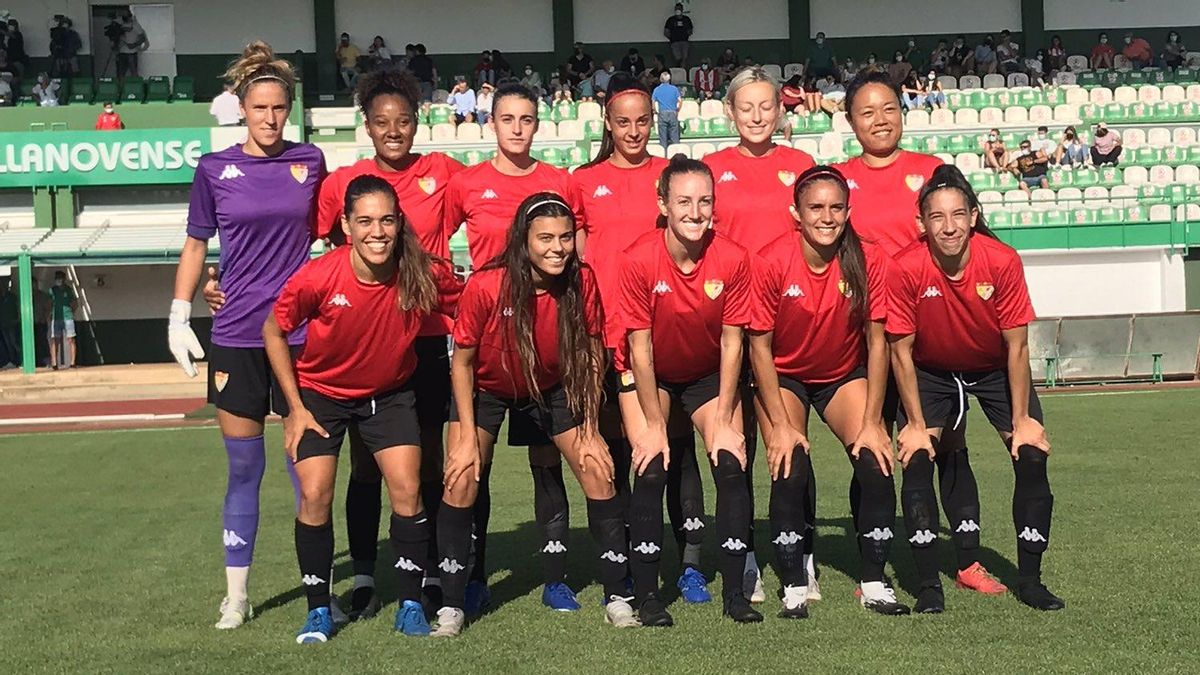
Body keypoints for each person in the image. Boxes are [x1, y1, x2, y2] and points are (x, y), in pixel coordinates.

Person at [167, 41, 326, 630]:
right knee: (243, 470)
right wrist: (181, 313)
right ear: (242, 108)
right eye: (259, 107)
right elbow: (195, 245)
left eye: (279, 107)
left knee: (305, 468)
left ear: (289, 109)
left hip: (301, 337)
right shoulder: (214, 169)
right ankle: (237, 595)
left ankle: (317, 589)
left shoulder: (310, 162)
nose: (269, 117)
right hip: (234, 335)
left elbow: (334, 239)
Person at [265, 175, 462, 643]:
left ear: (399, 224)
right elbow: (273, 330)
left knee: (409, 491)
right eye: (366, 221)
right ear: (346, 226)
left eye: (387, 220)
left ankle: (411, 603)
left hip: (389, 396)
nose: (378, 231)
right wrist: (294, 408)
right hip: (320, 398)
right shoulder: (319, 276)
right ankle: (319, 609)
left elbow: (474, 301)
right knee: (314, 495)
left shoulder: (422, 272)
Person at [306, 65, 466, 623]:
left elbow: (495, 216)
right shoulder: (342, 184)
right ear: (367, 126)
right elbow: (311, 248)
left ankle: (419, 577)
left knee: (419, 466)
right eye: (381, 122)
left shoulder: (443, 172)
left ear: (417, 123)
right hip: (367, 342)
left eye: (402, 121)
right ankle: (366, 578)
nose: (393, 131)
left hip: (428, 341)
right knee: (365, 469)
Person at [834, 73, 1001, 601]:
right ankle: (873, 569)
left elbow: (973, 242)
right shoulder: (838, 181)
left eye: (889, 108)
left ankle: (967, 560)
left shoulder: (931, 173)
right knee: (873, 449)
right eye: (867, 111)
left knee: (948, 444)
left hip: (925, 339)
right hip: (862, 337)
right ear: (850, 121)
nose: (880, 119)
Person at [436, 193, 633, 636]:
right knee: (463, 475)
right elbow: (462, 363)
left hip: (551, 388)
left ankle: (618, 595)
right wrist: (467, 435)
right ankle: (452, 604)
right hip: (486, 389)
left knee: (598, 469)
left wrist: (588, 424)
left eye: (566, 237)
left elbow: (588, 354)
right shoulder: (488, 285)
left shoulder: (582, 280)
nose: (557, 247)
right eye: (545, 238)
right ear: (523, 240)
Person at [889, 164, 1065, 613]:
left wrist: (1023, 420)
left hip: (993, 371)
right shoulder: (906, 266)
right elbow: (901, 352)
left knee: (1030, 457)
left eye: (957, 215)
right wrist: (913, 424)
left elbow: (1017, 346)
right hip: (931, 373)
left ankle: (1030, 580)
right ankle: (929, 584)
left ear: (972, 216)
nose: (948, 227)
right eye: (937, 217)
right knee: (917, 460)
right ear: (921, 224)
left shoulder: (1001, 260)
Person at [443, 82, 583, 614]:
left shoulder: (557, 182)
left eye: (527, 118)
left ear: (538, 124)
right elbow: (434, 249)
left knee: (546, 463)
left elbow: (574, 257)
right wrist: (456, 297)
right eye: (508, 119)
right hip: (489, 343)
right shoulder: (467, 183)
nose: (518, 128)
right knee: (471, 465)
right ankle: (472, 578)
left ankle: (554, 577)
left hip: (545, 347)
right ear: (492, 123)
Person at [571, 74, 711, 605]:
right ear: (608, 123)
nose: (633, 130)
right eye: (622, 121)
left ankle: (691, 564)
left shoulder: (669, 176)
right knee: (616, 449)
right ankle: (627, 558)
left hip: (662, 333)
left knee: (675, 445)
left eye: (642, 120)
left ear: (655, 121)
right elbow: (581, 259)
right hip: (602, 335)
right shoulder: (583, 181)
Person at [749, 166, 909, 619]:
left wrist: (874, 422)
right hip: (783, 377)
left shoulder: (869, 259)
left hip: (841, 375)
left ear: (848, 211)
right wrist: (780, 424)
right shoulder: (770, 260)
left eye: (836, 207)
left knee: (876, 462)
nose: (826, 217)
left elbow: (878, 342)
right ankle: (795, 586)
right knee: (789, 464)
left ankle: (875, 583)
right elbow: (758, 347)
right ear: (795, 213)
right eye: (815, 207)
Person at [618, 156, 760, 626]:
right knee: (652, 463)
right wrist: (655, 425)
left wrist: (722, 419)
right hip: (652, 375)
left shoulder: (735, 258)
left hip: (706, 376)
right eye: (683, 201)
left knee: (730, 461)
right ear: (663, 204)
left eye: (704, 201)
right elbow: (639, 348)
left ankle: (737, 594)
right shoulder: (636, 257)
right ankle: (646, 596)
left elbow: (732, 340)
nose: (695, 212)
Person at [703, 66, 815, 603]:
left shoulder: (801, 166)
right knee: (739, 442)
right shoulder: (710, 168)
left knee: (792, 439)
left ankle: (801, 555)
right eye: (745, 107)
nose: (755, 116)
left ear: (780, 109)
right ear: (729, 111)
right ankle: (742, 553)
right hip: (728, 323)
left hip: (786, 324)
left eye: (766, 106)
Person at [48, 270, 77, 369]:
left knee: (71, 339)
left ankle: (73, 363)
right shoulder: (52, 290)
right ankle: (54, 363)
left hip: (68, 317)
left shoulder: (68, 290)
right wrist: (49, 314)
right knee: (55, 340)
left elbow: (74, 302)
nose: (58, 280)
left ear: (64, 279)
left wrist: (71, 312)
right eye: (57, 278)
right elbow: (49, 303)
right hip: (56, 318)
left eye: (60, 277)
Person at [652, 71, 681, 151]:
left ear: (661, 79)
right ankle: (676, 154)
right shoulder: (674, 89)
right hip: (672, 113)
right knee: (674, 137)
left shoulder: (657, 89)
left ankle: (664, 155)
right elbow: (680, 101)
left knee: (663, 139)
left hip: (662, 113)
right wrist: (677, 110)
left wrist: (655, 111)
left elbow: (653, 102)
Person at [117, 12, 149, 78]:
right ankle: (121, 87)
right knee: (121, 73)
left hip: (132, 52)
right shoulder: (120, 26)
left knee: (133, 72)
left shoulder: (136, 26)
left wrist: (134, 44)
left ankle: (135, 87)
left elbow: (142, 38)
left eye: (127, 16)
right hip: (121, 52)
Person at [664, 3, 693, 69]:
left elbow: (690, 31)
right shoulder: (670, 20)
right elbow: (666, 32)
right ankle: (679, 70)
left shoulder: (686, 19)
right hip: (674, 42)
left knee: (684, 59)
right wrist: (672, 38)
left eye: (679, 9)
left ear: (682, 9)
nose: (678, 10)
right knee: (677, 59)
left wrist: (684, 35)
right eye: (676, 9)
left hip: (684, 41)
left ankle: (683, 71)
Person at [0, 277, 19, 368]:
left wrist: (17, 319)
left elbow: (17, 308)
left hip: (12, 323)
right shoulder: (1, 297)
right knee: (8, 343)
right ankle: (11, 361)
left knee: (13, 342)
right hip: (3, 323)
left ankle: (18, 359)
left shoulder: (12, 296)